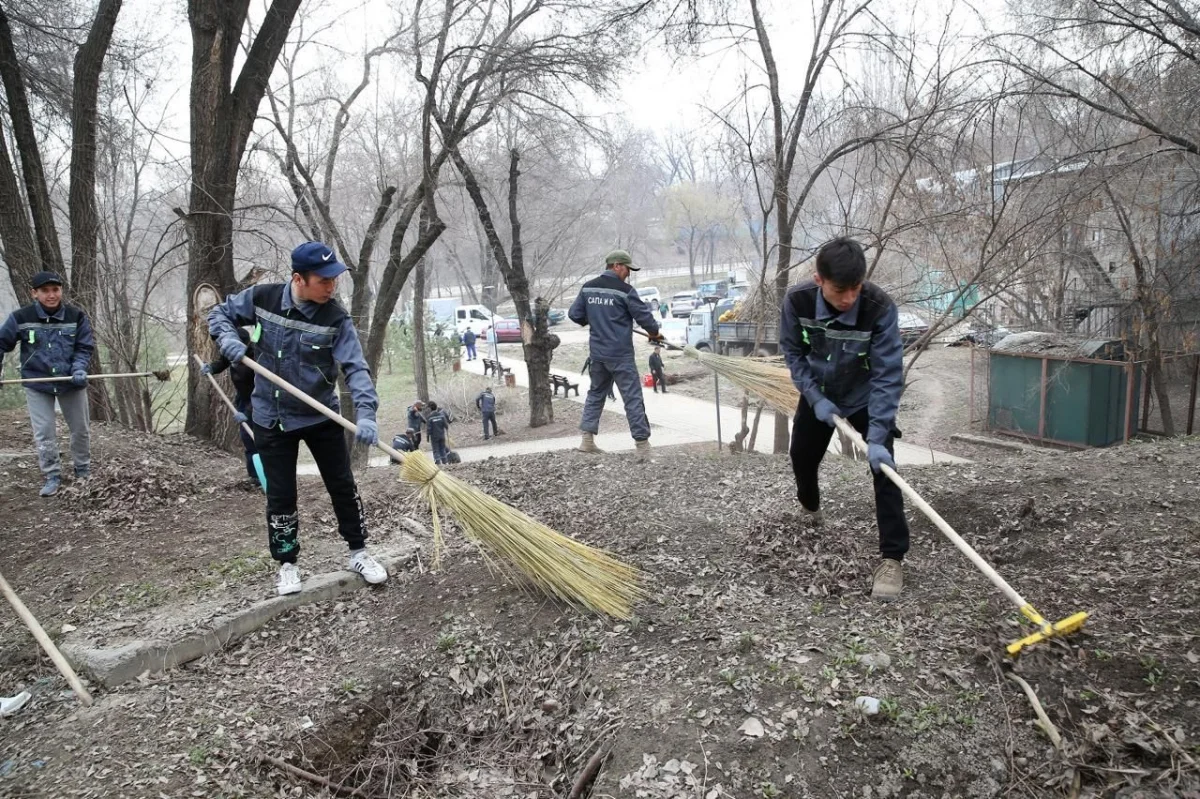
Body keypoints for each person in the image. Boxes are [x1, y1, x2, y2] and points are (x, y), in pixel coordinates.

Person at [208, 240, 388, 596]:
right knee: (281, 496)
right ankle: (288, 565)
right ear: (298, 279)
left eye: (334, 280)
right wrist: (228, 339)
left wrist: (366, 414)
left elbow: (355, 368)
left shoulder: (335, 318)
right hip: (270, 417)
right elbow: (219, 314)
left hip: (320, 416)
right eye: (323, 280)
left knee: (342, 487)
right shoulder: (263, 298)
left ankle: (359, 552)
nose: (331, 287)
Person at [779, 237, 909, 601]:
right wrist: (814, 397)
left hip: (865, 396)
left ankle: (892, 558)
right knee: (801, 458)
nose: (849, 298)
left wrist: (880, 435)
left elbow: (887, 374)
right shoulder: (797, 300)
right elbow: (792, 351)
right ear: (819, 280)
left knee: (885, 472)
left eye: (855, 288)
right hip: (819, 392)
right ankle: (811, 508)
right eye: (840, 290)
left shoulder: (879, 307)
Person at [0, 271, 95, 497]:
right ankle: (52, 475)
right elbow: (2, 343)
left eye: (55, 290)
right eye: (45, 291)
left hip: (71, 381)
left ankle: (83, 471)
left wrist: (79, 368)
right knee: (44, 432)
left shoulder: (76, 316)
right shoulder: (20, 318)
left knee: (80, 429)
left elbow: (84, 347)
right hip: (37, 383)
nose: (51, 295)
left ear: (61, 291)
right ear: (35, 293)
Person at [569, 249, 664, 456]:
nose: (628, 273)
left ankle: (587, 441)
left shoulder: (588, 288)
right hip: (620, 356)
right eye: (627, 269)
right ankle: (643, 447)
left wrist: (593, 318)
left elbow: (574, 314)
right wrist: (655, 333)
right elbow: (645, 319)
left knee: (595, 394)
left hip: (598, 356)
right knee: (632, 398)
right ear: (616, 266)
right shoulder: (625, 291)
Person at [201, 326, 260, 486]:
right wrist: (211, 368)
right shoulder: (230, 351)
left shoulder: (255, 359)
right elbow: (222, 362)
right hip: (242, 398)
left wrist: (248, 413)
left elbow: (262, 391)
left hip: (259, 401)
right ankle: (254, 476)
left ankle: (269, 475)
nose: (228, 354)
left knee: (260, 438)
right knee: (247, 438)